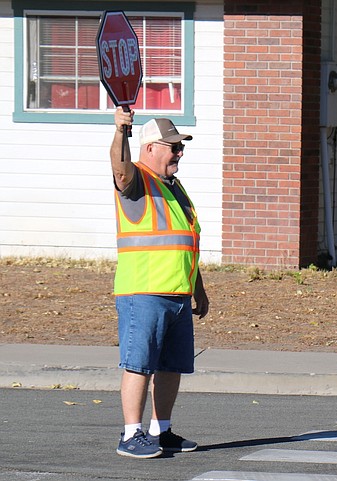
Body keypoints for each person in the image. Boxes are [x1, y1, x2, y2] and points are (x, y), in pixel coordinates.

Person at [110, 107, 209, 458]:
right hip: (145, 291)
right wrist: (122, 131)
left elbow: (186, 240)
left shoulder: (174, 187)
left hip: (178, 292)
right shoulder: (135, 180)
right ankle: (131, 434)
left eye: (181, 147)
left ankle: (160, 430)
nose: (179, 152)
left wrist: (198, 289)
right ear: (150, 147)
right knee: (139, 362)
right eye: (173, 147)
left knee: (171, 365)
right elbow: (119, 168)